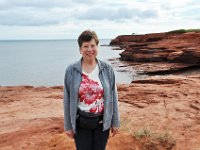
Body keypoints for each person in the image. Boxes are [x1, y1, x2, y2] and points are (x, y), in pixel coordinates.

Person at [63, 30, 120, 150]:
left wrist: (115, 122)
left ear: (97, 47)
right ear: (80, 49)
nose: (89, 49)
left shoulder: (107, 69)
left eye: (92, 45)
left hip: (102, 123)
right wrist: (68, 126)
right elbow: (67, 99)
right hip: (81, 123)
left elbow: (114, 97)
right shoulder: (71, 70)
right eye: (85, 46)